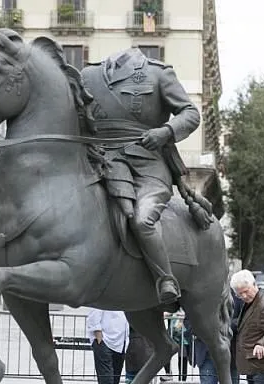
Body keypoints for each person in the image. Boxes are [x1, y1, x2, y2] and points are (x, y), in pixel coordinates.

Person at [80, 48, 201, 304]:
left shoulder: (157, 73)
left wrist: (166, 132)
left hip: (146, 164)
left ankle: (164, 278)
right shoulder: (88, 75)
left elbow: (190, 114)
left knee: (143, 220)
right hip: (99, 161)